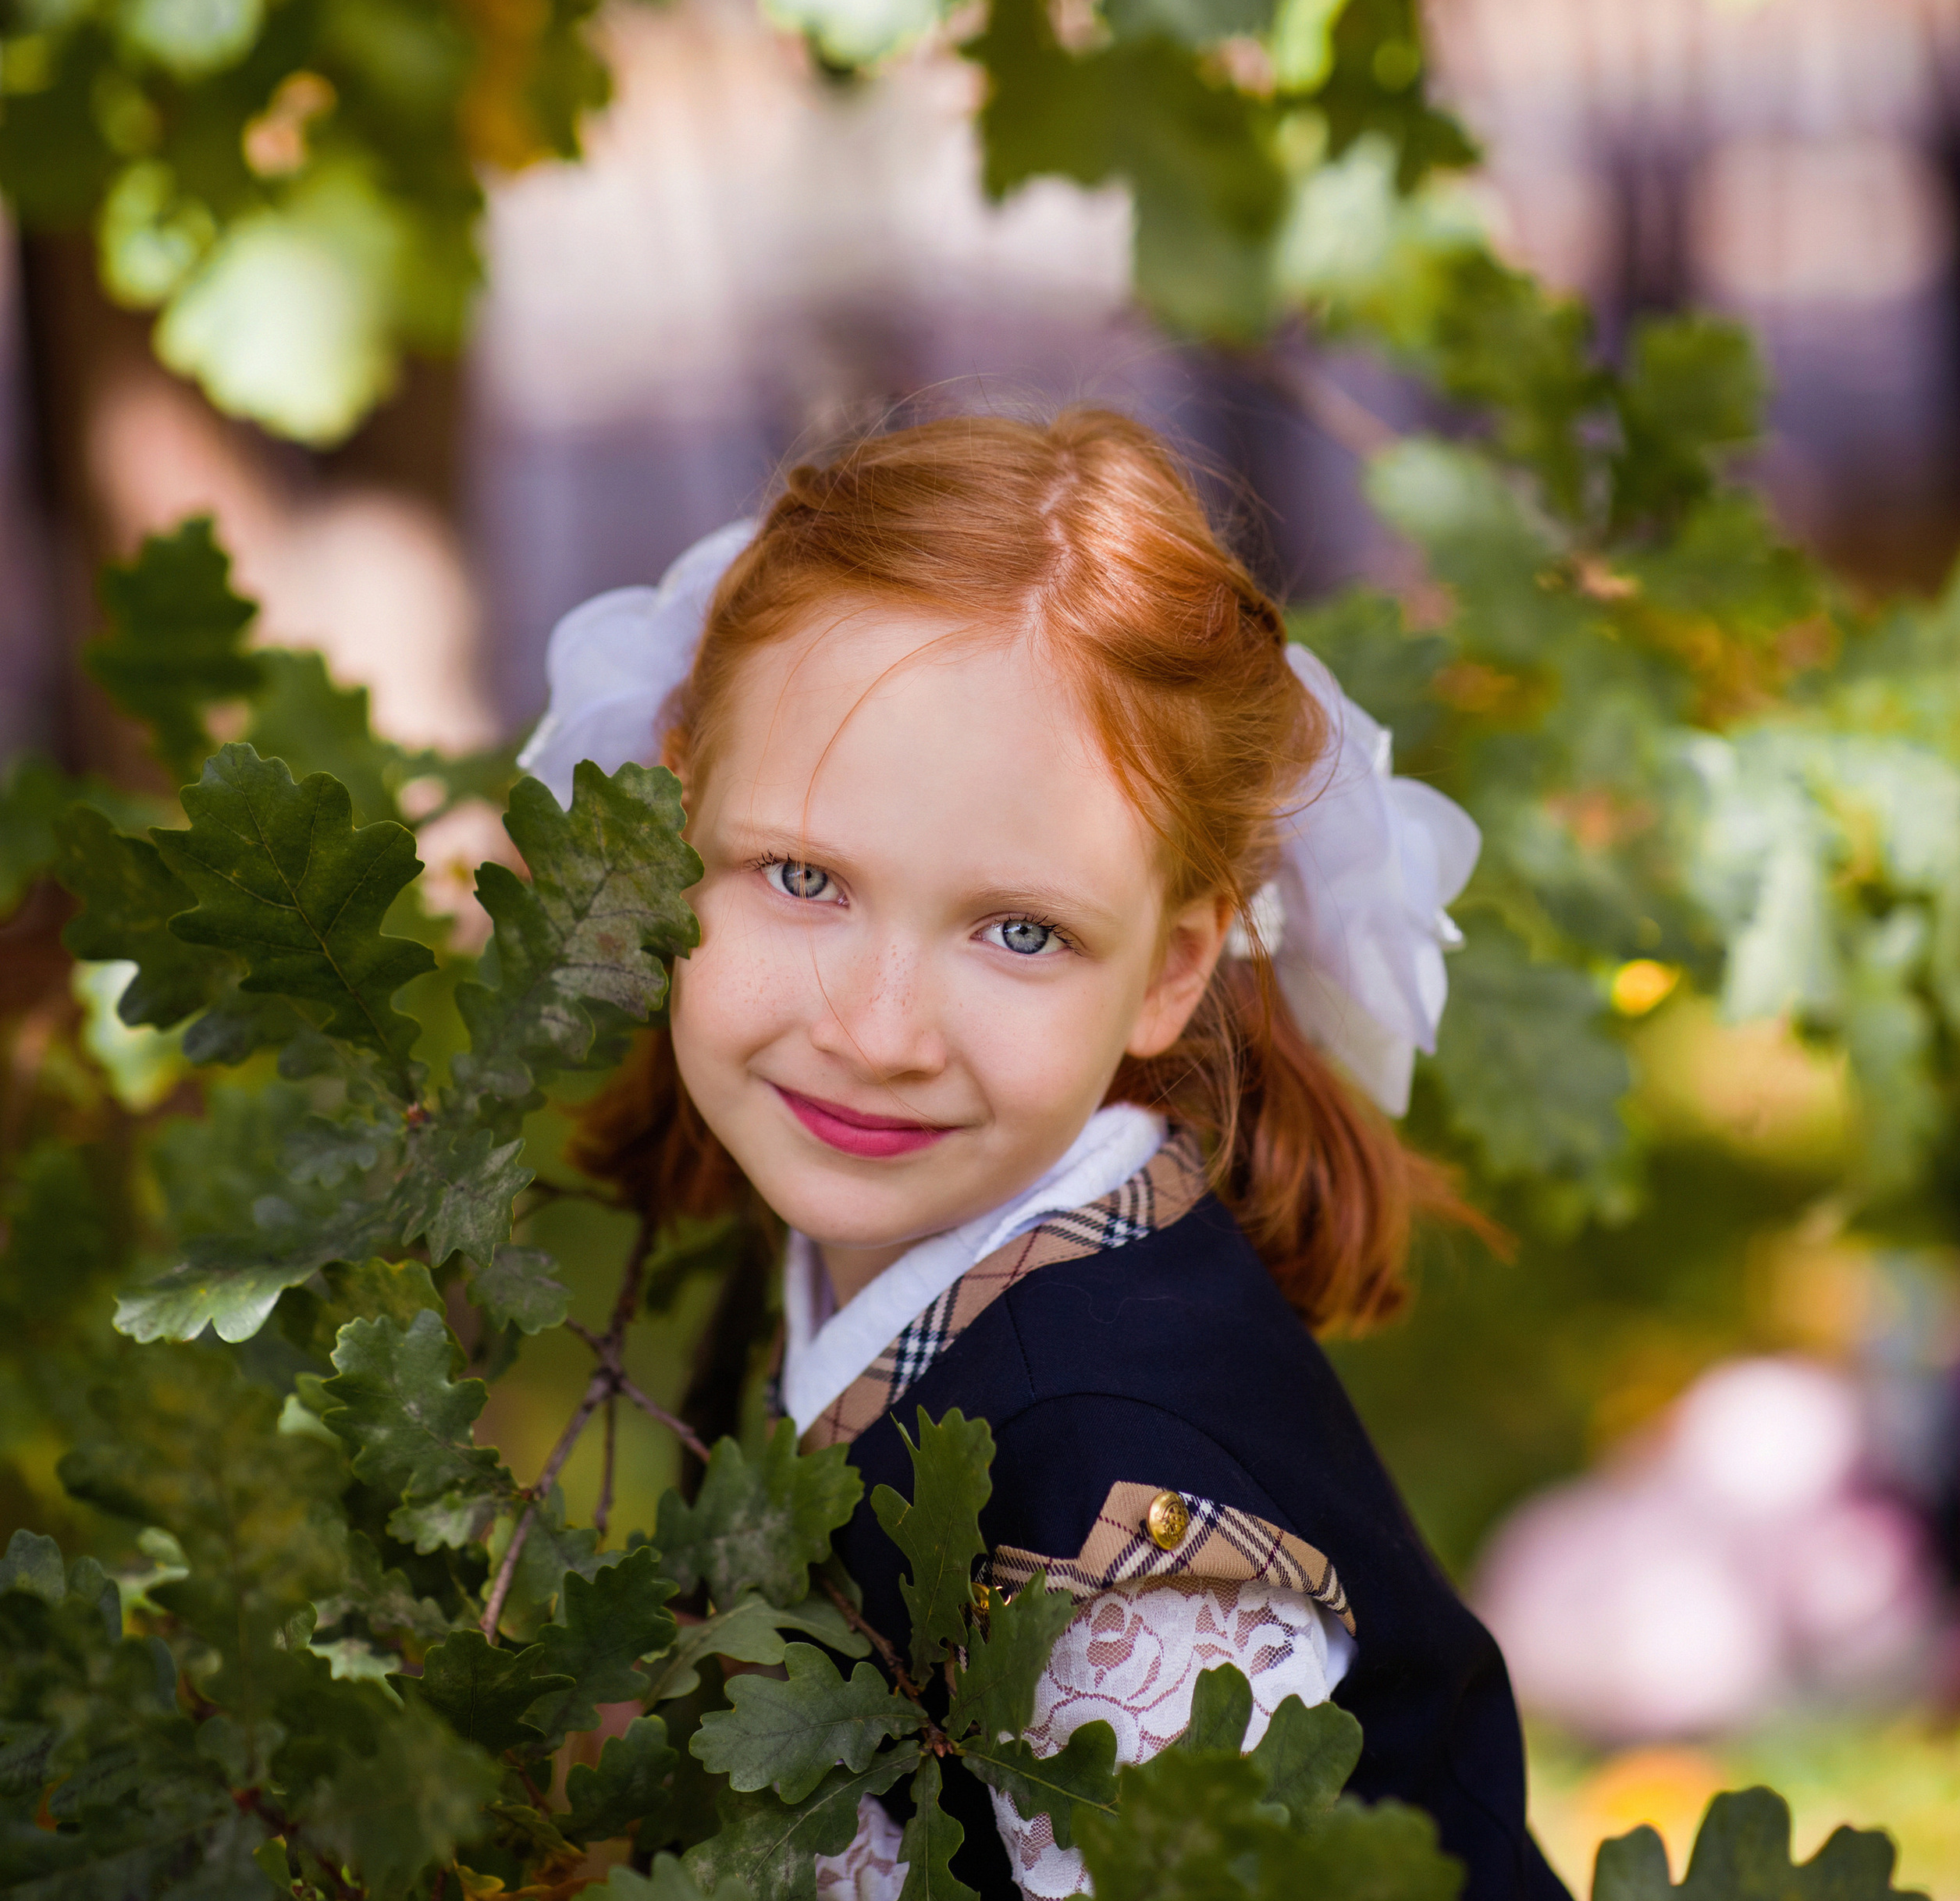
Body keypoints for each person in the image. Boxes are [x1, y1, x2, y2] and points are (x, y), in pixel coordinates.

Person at [521, 410, 1568, 1900]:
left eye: (1021, 931)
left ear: (1171, 967)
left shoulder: (1131, 1543)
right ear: (669, 827)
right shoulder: (861, 1239)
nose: (880, 1033)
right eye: (804, 876)